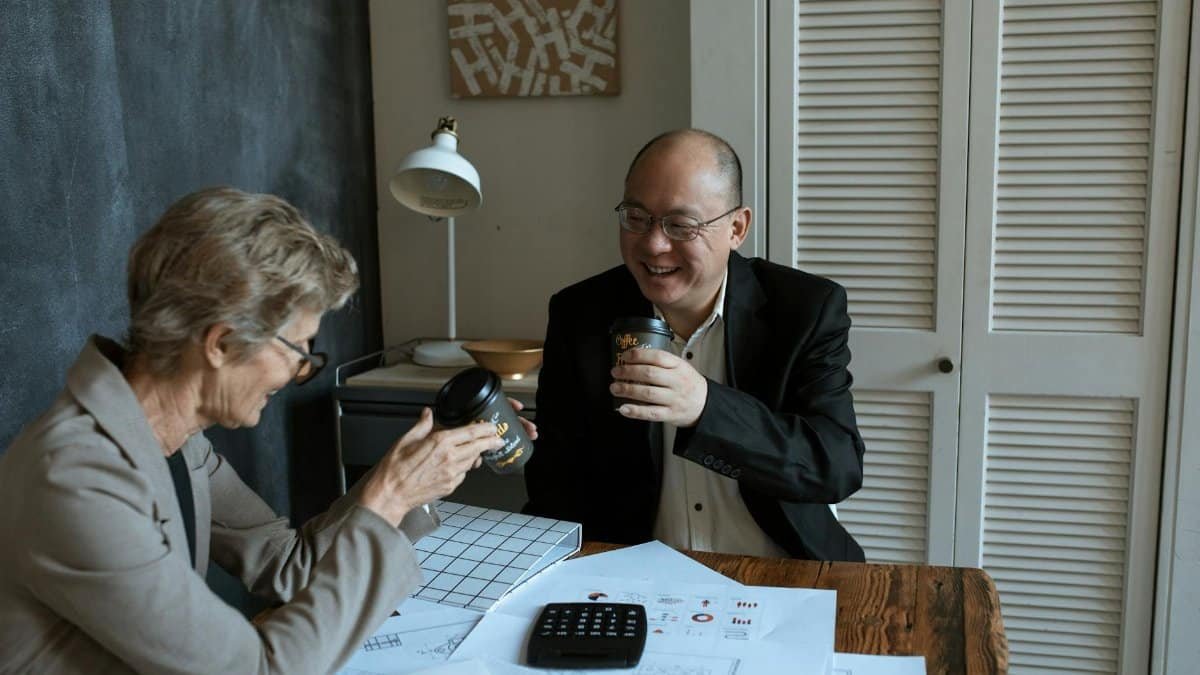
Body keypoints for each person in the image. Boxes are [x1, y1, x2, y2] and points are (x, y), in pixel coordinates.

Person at [0, 187, 531, 673]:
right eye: (298, 352)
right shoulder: (77, 481)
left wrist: (407, 483)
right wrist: (390, 498)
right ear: (221, 343)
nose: (297, 373)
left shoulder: (176, 440)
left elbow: (290, 564)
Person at [523, 129, 865, 562]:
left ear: (736, 228)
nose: (654, 244)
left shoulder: (804, 309)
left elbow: (836, 466)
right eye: (637, 217)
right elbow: (554, 485)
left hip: (779, 568)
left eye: (681, 225)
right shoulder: (581, 313)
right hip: (637, 571)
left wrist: (706, 407)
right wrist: (513, 445)